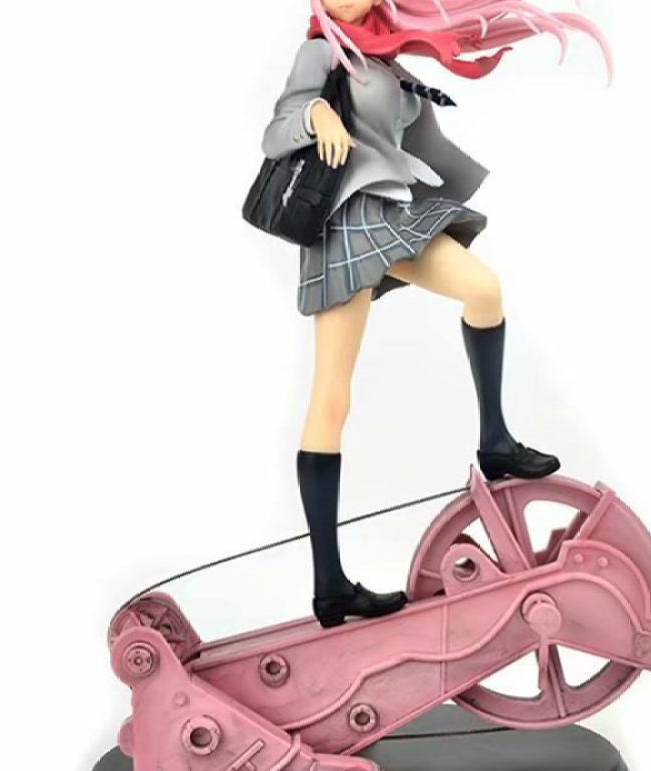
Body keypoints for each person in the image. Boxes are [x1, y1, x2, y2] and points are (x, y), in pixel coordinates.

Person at [259, 0, 611, 628]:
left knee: (483, 290)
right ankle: (329, 585)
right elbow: (277, 126)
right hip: (345, 228)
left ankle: (495, 442)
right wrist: (315, 114)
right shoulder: (320, 51)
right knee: (331, 399)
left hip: (390, 215)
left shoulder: (386, 57)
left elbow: (413, 136)